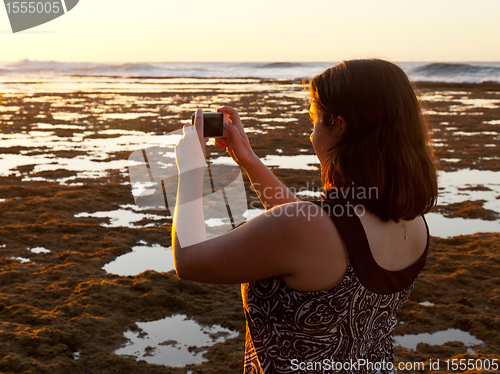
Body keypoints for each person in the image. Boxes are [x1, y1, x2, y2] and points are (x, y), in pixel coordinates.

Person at [172, 59, 438, 374]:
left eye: (313, 118)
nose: (311, 132)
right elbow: (316, 231)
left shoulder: (309, 228)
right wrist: (249, 160)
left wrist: (190, 171)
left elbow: (189, 260)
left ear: (339, 125)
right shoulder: (414, 222)